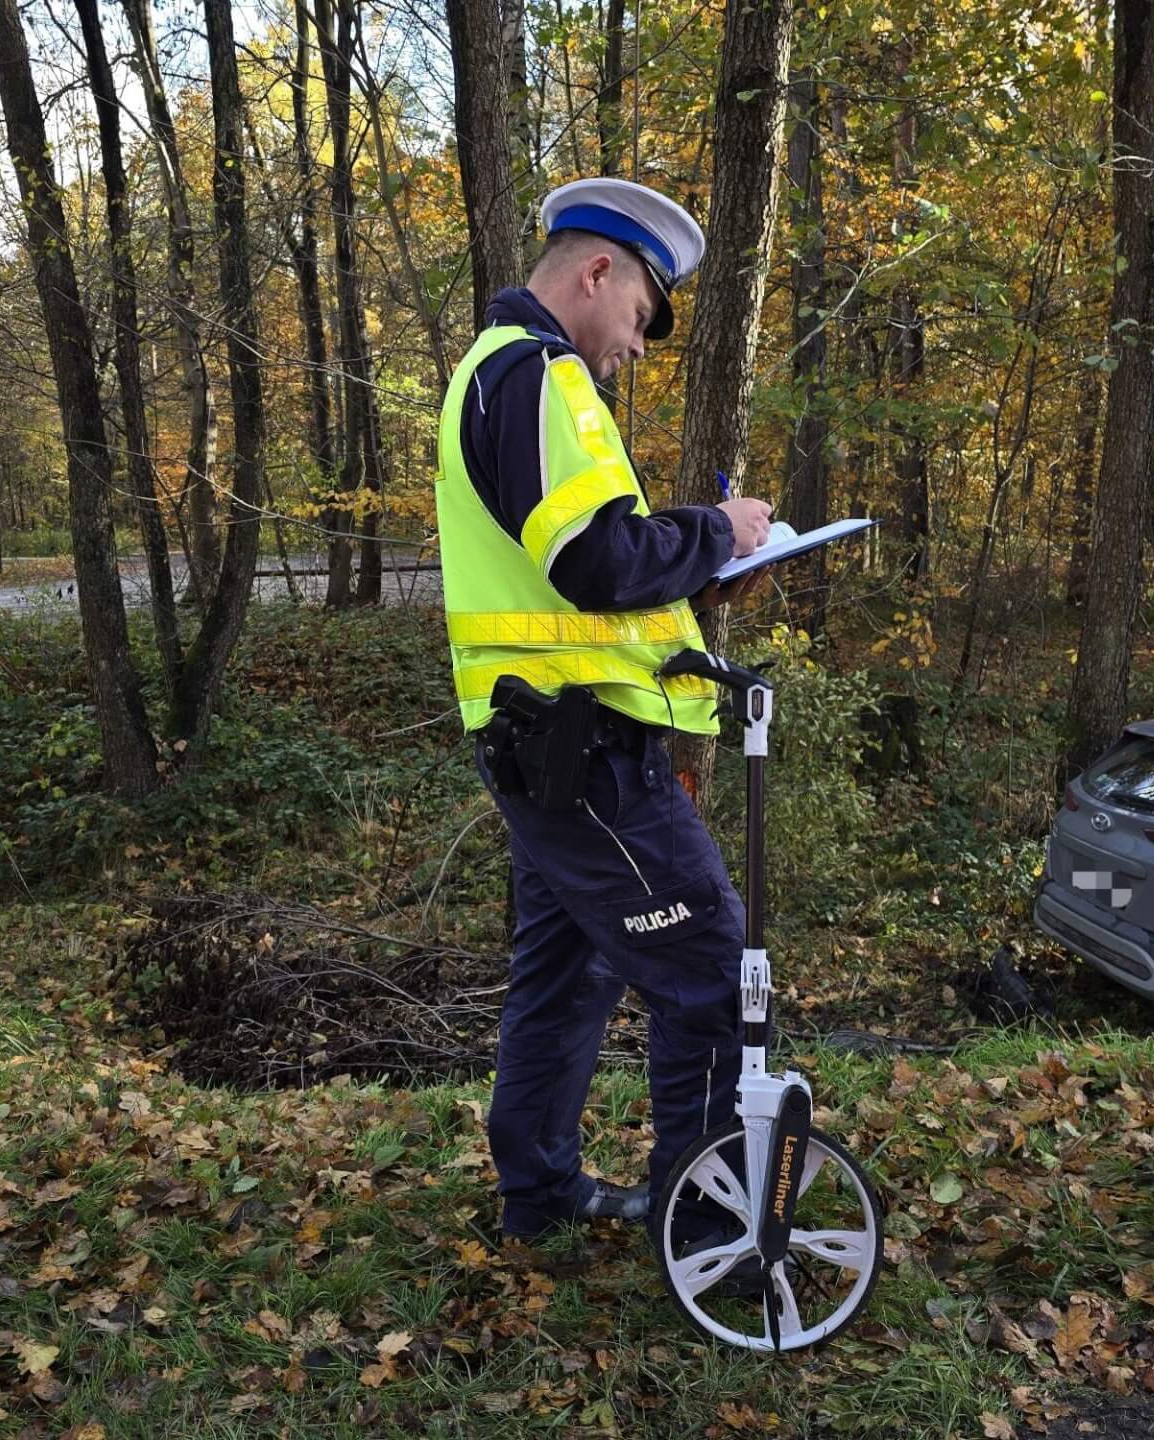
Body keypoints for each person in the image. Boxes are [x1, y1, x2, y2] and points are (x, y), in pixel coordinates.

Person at [434, 176, 771, 1251]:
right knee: (710, 969)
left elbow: (583, 575)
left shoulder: (493, 374)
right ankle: (710, 1232)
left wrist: (702, 577)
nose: (632, 347)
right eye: (637, 315)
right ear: (595, 272)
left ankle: (537, 1193)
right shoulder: (541, 375)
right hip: (585, 757)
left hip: (547, 747)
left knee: (565, 973)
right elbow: (595, 561)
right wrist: (717, 530)